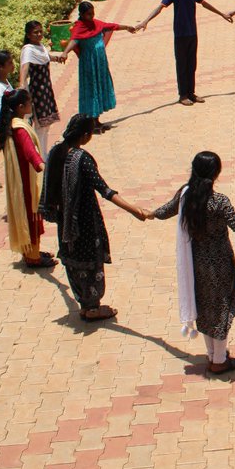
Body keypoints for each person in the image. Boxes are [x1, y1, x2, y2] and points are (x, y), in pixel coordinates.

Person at [147, 152, 235, 373]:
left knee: (206, 308)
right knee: (222, 308)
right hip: (220, 265)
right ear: (216, 174)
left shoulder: (185, 196)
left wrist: (148, 213)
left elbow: (165, 211)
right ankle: (219, 361)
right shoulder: (219, 202)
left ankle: (213, 355)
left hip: (196, 264)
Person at [38, 114, 148, 322]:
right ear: (85, 135)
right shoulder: (82, 158)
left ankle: (84, 303)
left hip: (65, 221)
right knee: (90, 262)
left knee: (74, 261)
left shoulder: (55, 152)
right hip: (85, 221)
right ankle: (93, 308)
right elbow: (104, 189)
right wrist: (133, 209)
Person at [138, 0, 233, 106]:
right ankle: (182, 95)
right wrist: (146, 21)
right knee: (182, 65)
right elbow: (160, 7)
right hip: (180, 35)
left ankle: (191, 93)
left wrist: (222, 14)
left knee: (192, 64)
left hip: (192, 33)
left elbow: (204, 3)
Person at [62, 1, 139, 134]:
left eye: (92, 13)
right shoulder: (79, 27)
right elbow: (74, 40)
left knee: (99, 88)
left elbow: (111, 26)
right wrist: (65, 52)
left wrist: (127, 27)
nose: (91, 16)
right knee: (92, 90)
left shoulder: (96, 23)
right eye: (88, 14)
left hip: (100, 63)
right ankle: (90, 123)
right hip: (89, 64)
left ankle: (97, 121)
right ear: (82, 14)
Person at [0, 89, 54, 269]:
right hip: (26, 183)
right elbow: (30, 153)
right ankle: (33, 258)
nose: (32, 104)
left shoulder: (13, 124)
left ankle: (31, 251)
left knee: (29, 216)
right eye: (29, 102)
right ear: (21, 107)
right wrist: (44, 168)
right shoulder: (20, 130)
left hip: (22, 178)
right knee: (31, 216)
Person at [19, 21, 66, 150]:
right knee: (40, 127)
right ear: (28, 35)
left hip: (46, 90)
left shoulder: (40, 47)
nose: (39, 34)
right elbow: (24, 67)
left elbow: (46, 57)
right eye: (35, 32)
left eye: (40, 31)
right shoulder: (28, 50)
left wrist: (57, 58)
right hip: (37, 92)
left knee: (47, 125)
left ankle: (44, 152)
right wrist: (22, 85)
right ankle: (40, 155)